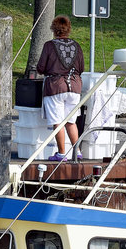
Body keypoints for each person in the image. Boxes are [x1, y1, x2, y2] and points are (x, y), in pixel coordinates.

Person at [36, 15, 84, 161]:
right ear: (68, 29)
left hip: (56, 86)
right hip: (75, 86)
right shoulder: (77, 46)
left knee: (58, 121)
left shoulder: (49, 45)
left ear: (54, 29)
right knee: (71, 121)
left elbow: (41, 67)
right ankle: (77, 152)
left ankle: (62, 153)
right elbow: (81, 68)